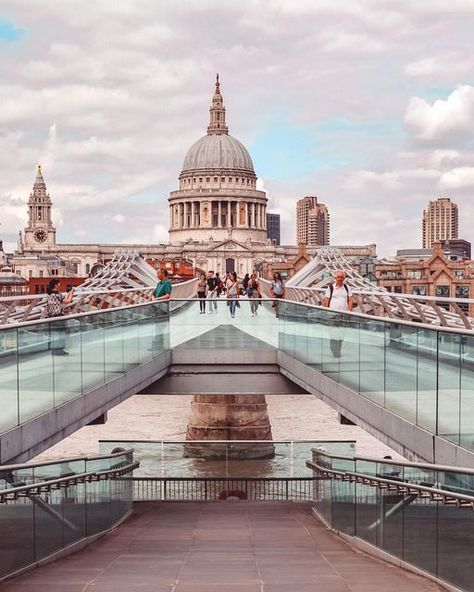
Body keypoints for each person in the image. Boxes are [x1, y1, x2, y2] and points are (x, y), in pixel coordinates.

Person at [322, 270, 353, 358]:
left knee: (341, 335)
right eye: (338, 277)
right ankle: (335, 352)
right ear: (335, 278)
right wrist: (325, 312)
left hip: (343, 315)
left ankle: (338, 350)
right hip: (332, 315)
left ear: (344, 279)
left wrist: (350, 312)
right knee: (334, 334)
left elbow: (350, 299)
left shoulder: (347, 288)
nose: (340, 279)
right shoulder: (331, 288)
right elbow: (326, 300)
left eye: (341, 277)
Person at [46, 279, 73, 355]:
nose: (59, 285)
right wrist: (71, 293)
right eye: (58, 284)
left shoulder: (49, 295)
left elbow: (61, 300)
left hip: (51, 318)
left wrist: (68, 294)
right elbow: (68, 301)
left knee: (55, 334)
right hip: (59, 317)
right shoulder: (57, 294)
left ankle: (54, 350)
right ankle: (60, 350)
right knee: (62, 333)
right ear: (55, 285)